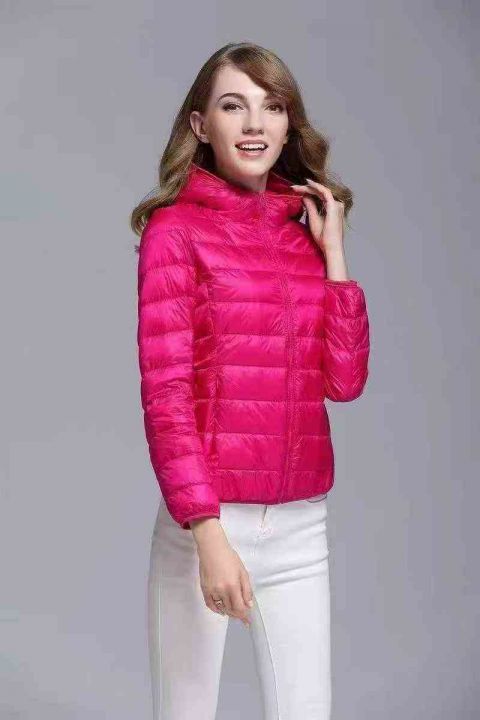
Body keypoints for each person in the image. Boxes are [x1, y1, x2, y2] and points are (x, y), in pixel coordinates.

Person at [131, 41, 370, 720]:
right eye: (234, 106)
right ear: (201, 125)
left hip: (300, 527)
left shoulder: (303, 237)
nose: (256, 124)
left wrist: (333, 256)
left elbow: (345, 381)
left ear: (290, 125)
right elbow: (166, 398)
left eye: (273, 106)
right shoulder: (174, 233)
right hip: (208, 523)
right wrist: (208, 537)